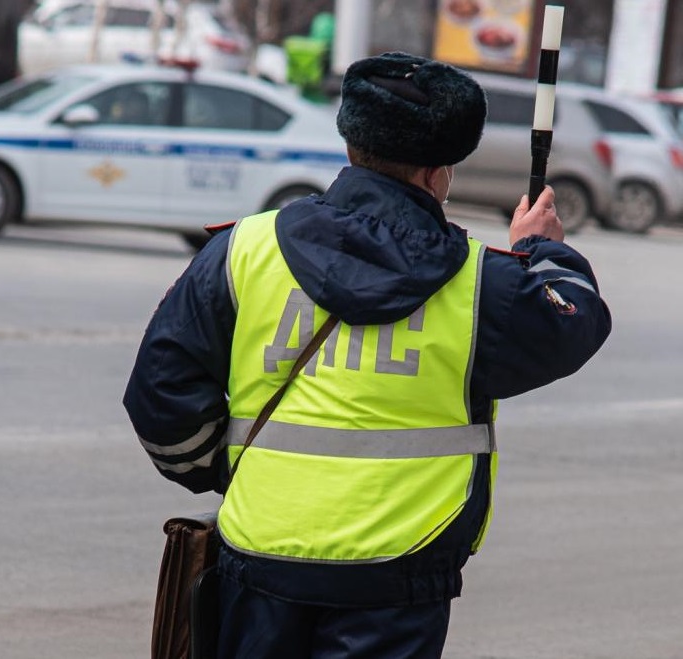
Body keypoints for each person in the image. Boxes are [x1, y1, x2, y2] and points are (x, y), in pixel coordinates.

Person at [124, 52, 612, 659]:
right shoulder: (482, 284)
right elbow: (574, 321)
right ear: (438, 173)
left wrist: (229, 472)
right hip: (400, 573)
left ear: (352, 144)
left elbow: (159, 393)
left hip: (260, 558)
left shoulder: (244, 249)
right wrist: (542, 249)